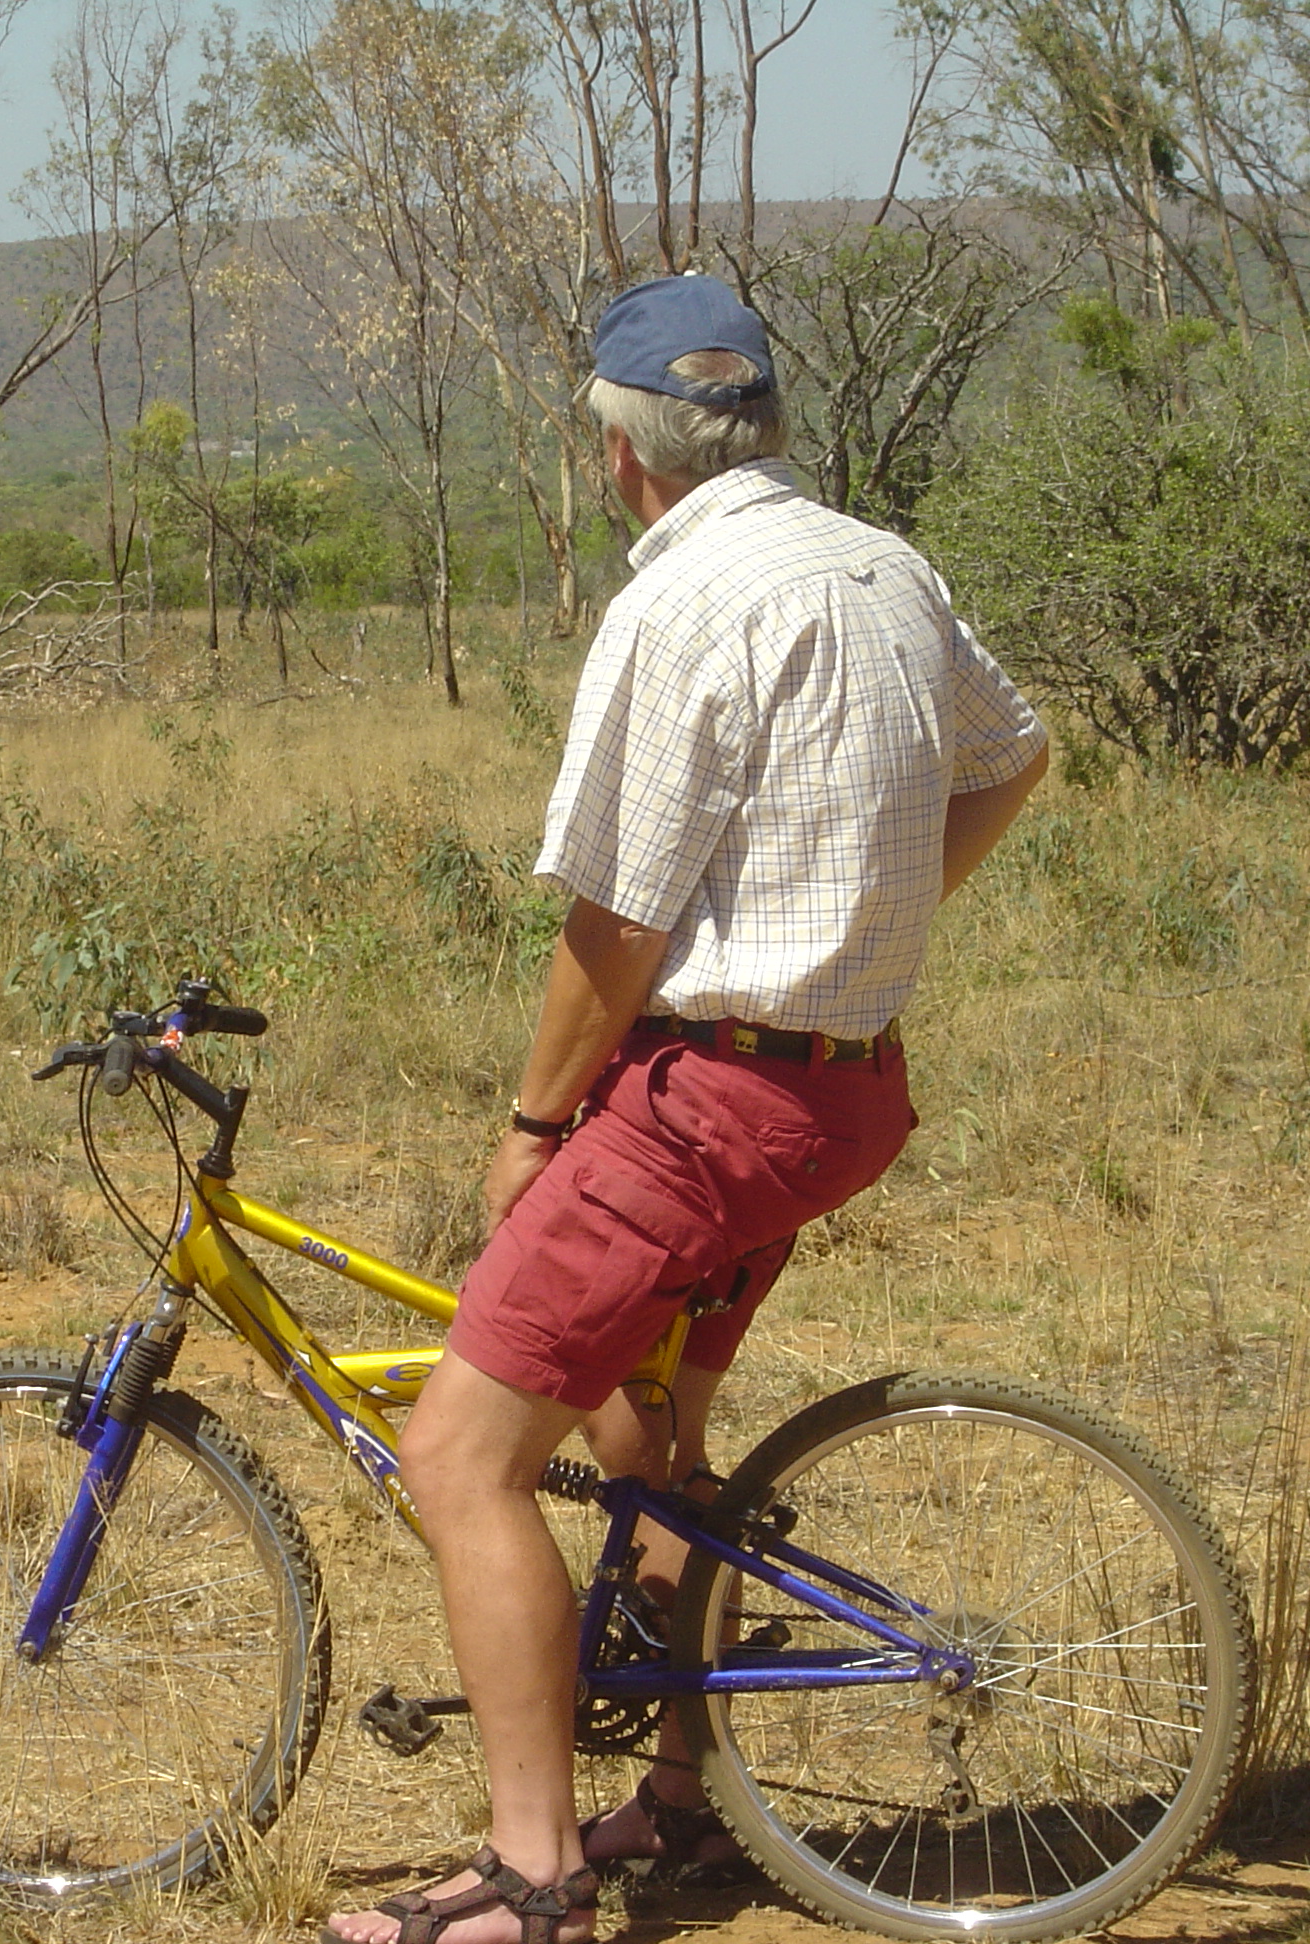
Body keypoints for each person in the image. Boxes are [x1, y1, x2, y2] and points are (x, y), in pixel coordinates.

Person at [321, 273, 1049, 1944]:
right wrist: (878, 924)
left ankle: (532, 1875)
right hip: (840, 1097)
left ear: (620, 450)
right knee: (654, 1443)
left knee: (461, 1453)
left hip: (708, 1103)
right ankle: (681, 1805)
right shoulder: (883, 565)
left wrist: (529, 1122)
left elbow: (614, 926)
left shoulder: (682, 604)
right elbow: (1011, 752)